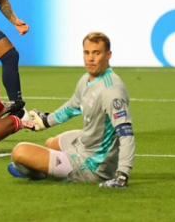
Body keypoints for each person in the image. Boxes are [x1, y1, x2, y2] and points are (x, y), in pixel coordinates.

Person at [7, 32, 136, 188]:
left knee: (20, 152)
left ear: (108, 55)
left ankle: (44, 172)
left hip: (93, 164)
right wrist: (46, 121)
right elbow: (72, 107)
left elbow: (126, 133)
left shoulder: (111, 91)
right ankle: (51, 165)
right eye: (87, 52)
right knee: (51, 143)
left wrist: (122, 174)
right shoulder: (86, 79)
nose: (90, 58)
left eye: (97, 53)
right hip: (86, 141)